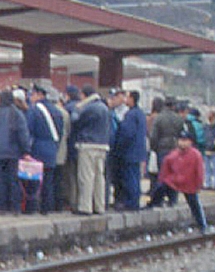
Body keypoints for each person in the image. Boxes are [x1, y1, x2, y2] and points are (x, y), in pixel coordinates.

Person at [151, 130, 208, 231]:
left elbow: (200, 171)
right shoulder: (173, 154)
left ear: (190, 142)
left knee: (194, 204)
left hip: (190, 183)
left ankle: (202, 225)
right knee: (160, 188)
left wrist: (199, 185)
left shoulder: (196, 155)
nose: (182, 142)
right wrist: (162, 180)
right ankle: (154, 203)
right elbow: (165, 170)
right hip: (174, 182)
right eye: (181, 140)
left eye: (185, 140)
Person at [0, 88, 30, 215]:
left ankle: (2, 206)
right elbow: (23, 133)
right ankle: (15, 207)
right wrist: (26, 150)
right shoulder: (17, 113)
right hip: (13, 152)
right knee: (13, 180)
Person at [71, 85, 110, 215]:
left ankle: (85, 206)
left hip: (88, 145)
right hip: (102, 145)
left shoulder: (88, 108)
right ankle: (100, 206)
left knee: (86, 177)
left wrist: (76, 110)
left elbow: (76, 122)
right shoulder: (104, 107)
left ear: (83, 95)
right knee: (99, 178)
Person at [26, 85, 65, 214]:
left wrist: (26, 150)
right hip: (52, 148)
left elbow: (29, 131)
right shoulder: (57, 111)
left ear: (38, 94)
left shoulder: (34, 110)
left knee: (34, 180)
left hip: (37, 148)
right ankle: (47, 208)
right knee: (49, 180)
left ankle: (32, 207)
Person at [111, 88, 148, 212]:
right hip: (138, 151)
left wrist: (118, 146)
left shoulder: (131, 115)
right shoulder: (141, 114)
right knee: (135, 177)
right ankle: (135, 201)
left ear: (132, 99)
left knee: (130, 178)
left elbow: (126, 134)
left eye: (127, 97)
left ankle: (131, 203)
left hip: (129, 152)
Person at [148, 97, 184, 207]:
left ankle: (159, 199)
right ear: (173, 106)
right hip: (175, 148)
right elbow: (182, 134)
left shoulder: (159, 118)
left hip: (162, 149)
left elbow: (153, 136)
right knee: (174, 174)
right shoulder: (178, 119)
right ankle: (173, 199)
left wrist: (154, 148)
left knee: (162, 175)